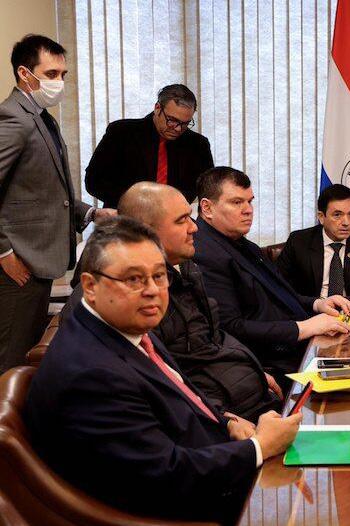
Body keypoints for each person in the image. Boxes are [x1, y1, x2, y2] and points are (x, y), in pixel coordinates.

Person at [24, 218, 300, 523]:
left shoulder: (127, 327)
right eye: (134, 279)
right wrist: (259, 447)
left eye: (159, 276)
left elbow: (179, 398)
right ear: (90, 286)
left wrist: (227, 423)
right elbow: (165, 475)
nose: (153, 291)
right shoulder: (91, 375)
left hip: (215, 462)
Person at [62, 183, 282, 420]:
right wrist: (224, 422)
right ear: (145, 231)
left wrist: (254, 371)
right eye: (181, 220)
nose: (194, 227)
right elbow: (156, 383)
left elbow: (211, 338)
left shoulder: (186, 267)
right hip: (213, 416)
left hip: (242, 398)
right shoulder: (118, 298)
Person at [0, 34, 114, 372]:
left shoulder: (42, 116)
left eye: (63, 74)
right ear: (24, 73)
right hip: (19, 260)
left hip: (38, 258)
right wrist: (4, 252)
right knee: (11, 358)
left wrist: (92, 213)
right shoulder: (13, 117)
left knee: (27, 353)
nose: (59, 82)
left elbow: (46, 192)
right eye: (51, 74)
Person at [192, 166, 350, 384]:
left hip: (299, 348)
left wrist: (317, 304)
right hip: (272, 364)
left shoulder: (242, 244)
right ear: (207, 208)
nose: (248, 210)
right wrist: (304, 328)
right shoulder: (205, 253)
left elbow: (279, 295)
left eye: (250, 201)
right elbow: (230, 328)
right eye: (237, 202)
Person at [85, 84, 214, 208]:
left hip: (174, 218)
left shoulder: (198, 144)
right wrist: (137, 205)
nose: (178, 128)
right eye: (172, 120)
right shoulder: (121, 133)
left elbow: (208, 189)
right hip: (124, 217)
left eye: (185, 123)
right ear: (157, 108)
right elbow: (94, 181)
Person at [277, 183, 350, 298]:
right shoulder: (298, 241)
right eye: (337, 215)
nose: (346, 222)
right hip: (312, 307)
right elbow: (278, 286)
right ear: (321, 217)